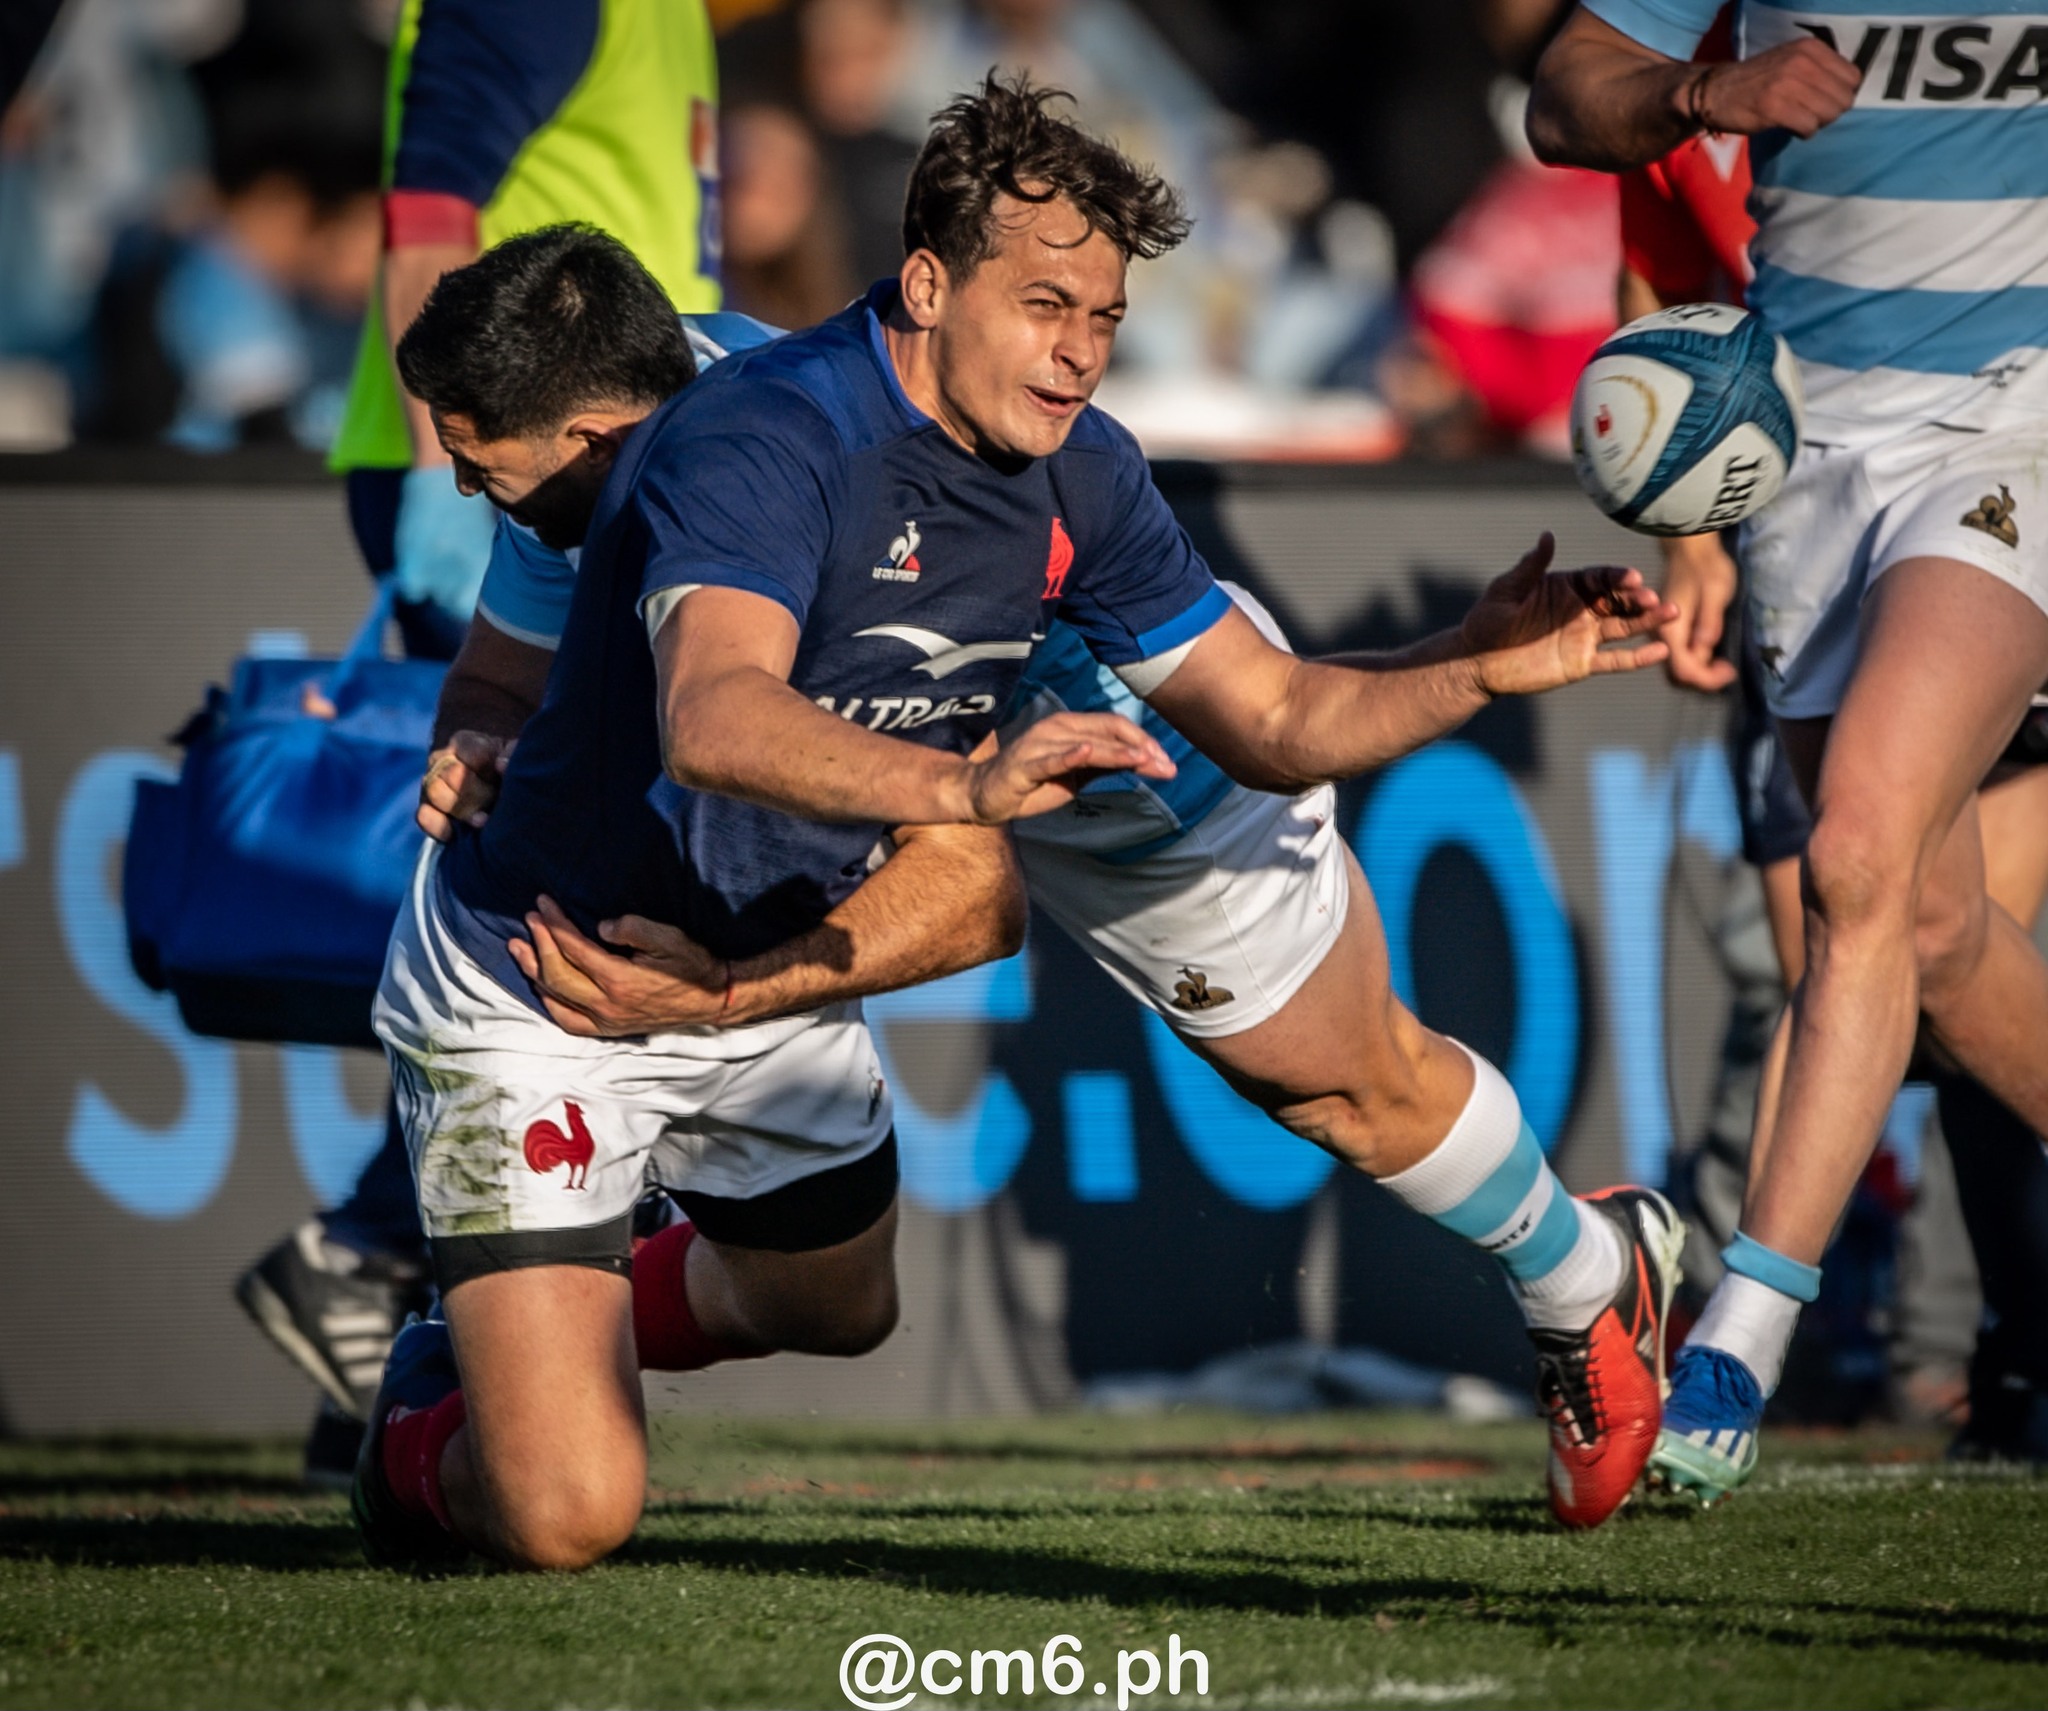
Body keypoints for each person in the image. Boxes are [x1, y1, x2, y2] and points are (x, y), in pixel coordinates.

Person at [352, 79, 1679, 1574]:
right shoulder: (697, 452)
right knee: (576, 1502)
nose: (1081, 351)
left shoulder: (1051, 464)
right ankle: (483, 1390)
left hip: (1066, 732)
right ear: (928, 283)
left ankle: (1585, 1275)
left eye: (1103, 317)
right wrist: (490, 741)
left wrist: (1472, 667)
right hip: (689, 877)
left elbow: (1262, 727)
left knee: (1332, 1081)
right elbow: (682, 713)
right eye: (1046, 304)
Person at [1531, 0, 2048, 1499]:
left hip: (2010, 431)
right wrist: (1712, 91)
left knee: (1858, 855)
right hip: (1800, 449)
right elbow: (1564, 97)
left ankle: (1737, 1342)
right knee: (1931, 930)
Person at [233, 0, 722, 1478]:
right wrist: (456, 487)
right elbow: (431, 219)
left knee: (579, 892)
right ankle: (379, 1258)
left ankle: (393, 1317)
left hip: (614, 464)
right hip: (524, 477)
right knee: (549, 897)